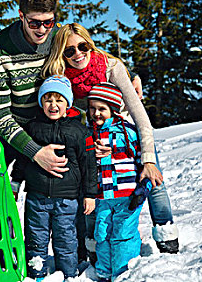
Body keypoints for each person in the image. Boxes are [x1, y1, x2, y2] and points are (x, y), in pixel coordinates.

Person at [0, 0, 143, 192]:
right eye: (34, 23)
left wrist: (129, 74)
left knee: (46, 188)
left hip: (36, 120)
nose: (42, 30)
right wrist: (35, 152)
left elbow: (87, 52)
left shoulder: (57, 35)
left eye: (48, 22)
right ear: (21, 15)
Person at [42, 23, 179, 255]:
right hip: (96, 135)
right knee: (94, 188)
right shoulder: (62, 78)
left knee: (152, 180)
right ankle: (94, 245)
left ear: (90, 44)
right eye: (69, 51)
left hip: (127, 129)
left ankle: (167, 236)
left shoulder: (110, 66)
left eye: (82, 46)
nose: (78, 54)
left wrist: (147, 159)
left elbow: (140, 116)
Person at [9, 75, 97, 281]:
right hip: (36, 196)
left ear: (68, 103)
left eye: (59, 100)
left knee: (66, 239)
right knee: (35, 238)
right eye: (48, 99)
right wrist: (15, 182)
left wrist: (90, 194)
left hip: (67, 199)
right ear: (41, 102)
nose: (53, 104)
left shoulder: (78, 131)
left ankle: (69, 274)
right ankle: (36, 274)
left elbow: (89, 164)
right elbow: (23, 158)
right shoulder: (32, 128)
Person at [85, 82, 152, 280]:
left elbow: (141, 161)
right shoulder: (89, 134)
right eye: (92, 108)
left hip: (127, 195)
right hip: (103, 196)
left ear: (113, 109)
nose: (96, 113)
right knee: (102, 233)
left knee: (122, 233)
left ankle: (123, 272)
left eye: (102, 109)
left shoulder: (127, 132)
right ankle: (105, 271)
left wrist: (143, 189)